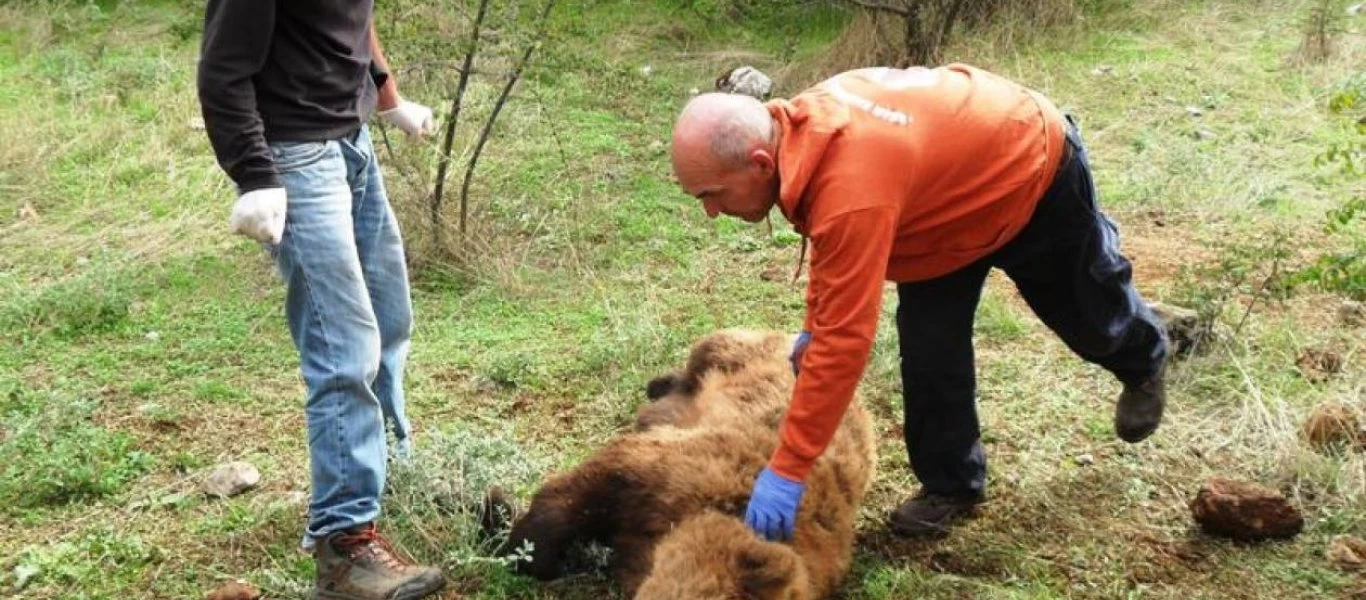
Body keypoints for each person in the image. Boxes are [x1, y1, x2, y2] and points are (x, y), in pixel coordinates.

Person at [669, 63, 1169, 541]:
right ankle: (951, 484)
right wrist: (814, 324)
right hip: (937, 212)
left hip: (1027, 171)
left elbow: (845, 342)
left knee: (1087, 315)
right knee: (930, 351)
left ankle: (1145, 359)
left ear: (758, 163)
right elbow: (830, 242)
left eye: (711, 194)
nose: (712, 212)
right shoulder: (798, 137)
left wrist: (789, 469)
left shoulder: (853, 185)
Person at [197, 1, 444, 598]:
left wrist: (388, 98)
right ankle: (345, 544)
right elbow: (221, 70)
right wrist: (255, 175)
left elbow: (354, 21)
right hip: (294, 156)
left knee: (388, 318)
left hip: (350, 143)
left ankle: (385, 474)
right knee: (344, 346)